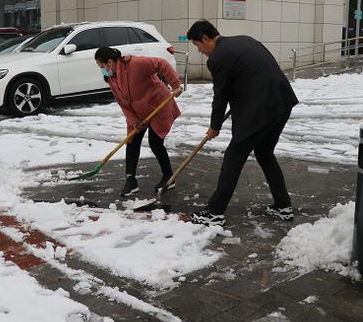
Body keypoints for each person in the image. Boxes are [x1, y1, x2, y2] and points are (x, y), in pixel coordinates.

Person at [185, 20, 299, 226]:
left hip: (260, 108)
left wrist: (215, 126)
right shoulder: (244, 40)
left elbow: (220, 96)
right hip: (282, 101)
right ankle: (283, 206)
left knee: (234, 156)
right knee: (265, 153)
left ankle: (214, 212)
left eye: (196, 45)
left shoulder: (218, 58)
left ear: (205, 38)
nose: (199, 51)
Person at [94, 47, 183, 196]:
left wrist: (175, 85)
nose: (102, 70)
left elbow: (162, 64)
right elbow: (123, 103)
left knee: (155, 142)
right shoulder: (112, 78)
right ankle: (131, 180)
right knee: (132, 141)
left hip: (157, 104)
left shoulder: (135, 64)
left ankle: (169, 176)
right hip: (138, 111)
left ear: (109, 62)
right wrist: (134, 121)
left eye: (101, 66)